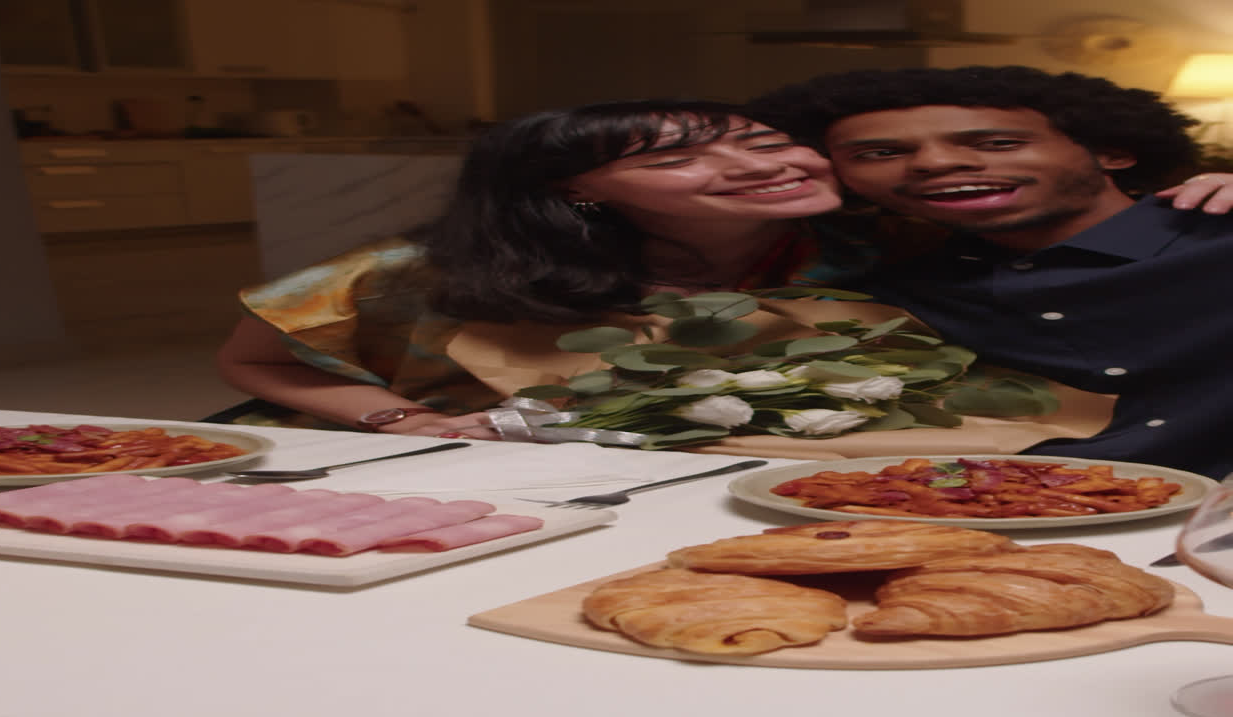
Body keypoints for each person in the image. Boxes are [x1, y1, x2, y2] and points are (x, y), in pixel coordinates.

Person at [215, 97, 1229, 452]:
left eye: (760, 138)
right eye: (678, 160)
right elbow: (256, 358)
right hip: (411, 479)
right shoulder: (419, 271)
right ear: (581, 194)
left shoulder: (862, 260)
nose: (763, 163)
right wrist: (398, 422)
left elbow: (1047, 210)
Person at [744, 65, 1233, 478]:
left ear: (1113, 151)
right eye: (881, 154)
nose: (935, 163)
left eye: (999, 143)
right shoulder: (890, 290)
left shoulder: (1218, 241)